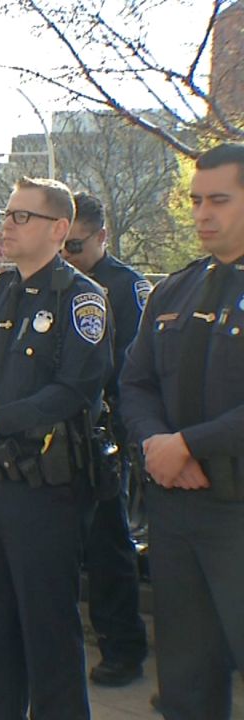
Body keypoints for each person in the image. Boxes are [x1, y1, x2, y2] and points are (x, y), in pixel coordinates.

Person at [0, 177, 111, 719]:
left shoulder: (81, 299)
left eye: (21, 217)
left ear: (59, 230)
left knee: (47, 630)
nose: (6, 226)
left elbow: (74, 390)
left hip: (43, 491)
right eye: (6, 213)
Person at [120, 142, 244, 720]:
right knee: (186, 682)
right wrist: (156, 445)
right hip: (177, 509)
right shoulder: (175, 289)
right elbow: (135, 383)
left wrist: (189, 445)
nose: (201, 213)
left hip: (237, 512)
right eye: (195, 200)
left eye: (219, 199)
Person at [61, 191, 149, 687]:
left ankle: (122, 646)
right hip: (45, 439)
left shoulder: (124, 288)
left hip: (99, 436)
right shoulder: (47, 283)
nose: (66, 254)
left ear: (101, 237)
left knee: (108, 546)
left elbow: (130, 366)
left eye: (75, 245)